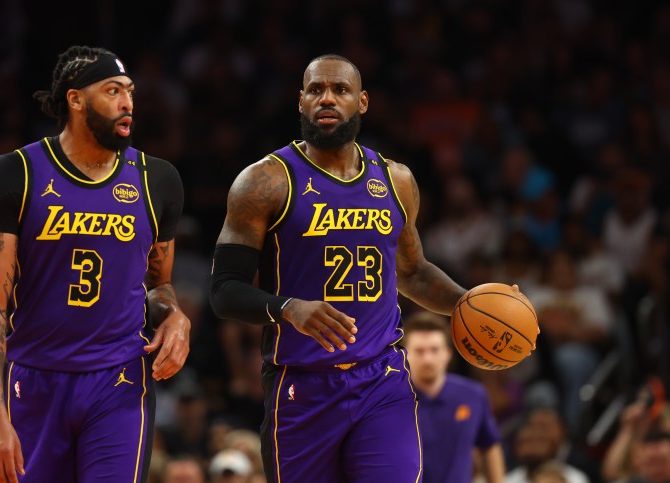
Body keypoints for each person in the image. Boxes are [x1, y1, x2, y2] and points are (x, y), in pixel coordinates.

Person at [210, 54, 509, 482]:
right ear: (300, 101)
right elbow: (224, 290)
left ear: (362, 102)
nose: (326, 99)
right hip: (302, 384)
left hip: (380, 379)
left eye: (340, 90)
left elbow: (413, 272)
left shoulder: (395, 180)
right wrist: (289, 307)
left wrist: (467, 303)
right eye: (315, 90)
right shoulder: (264, 182)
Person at [0, 45, 190, 483]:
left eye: (130, 91)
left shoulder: (157, 180)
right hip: (35, 380)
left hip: (119, 381)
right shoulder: (15, 174)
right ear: (75, 100)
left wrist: (176, 317)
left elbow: (159, 286)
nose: (127, 102)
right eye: (112, 91)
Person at [403, 311, 505, 483]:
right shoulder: (390, 400)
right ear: (405, 354)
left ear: (448, 353)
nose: (428, 359)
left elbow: (490, 445)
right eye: (419, 351)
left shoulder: (473, 394)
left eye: (434, 350)